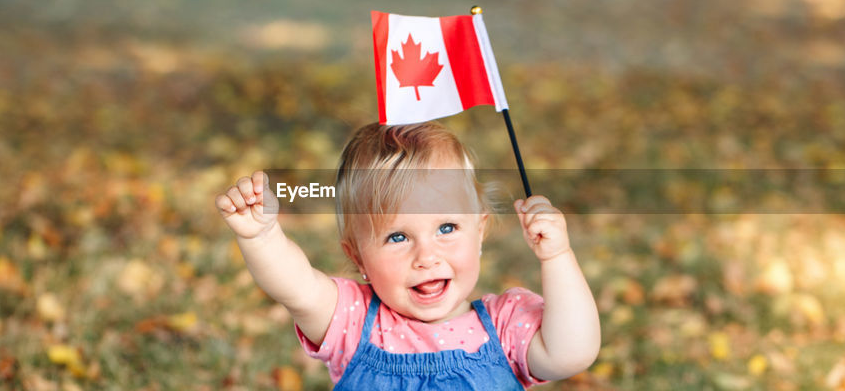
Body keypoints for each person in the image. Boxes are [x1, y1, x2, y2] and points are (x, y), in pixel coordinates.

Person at [215, 122, 599, 389]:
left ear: (479, 230)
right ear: (359, 258)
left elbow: (571, 353)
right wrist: (262, 236)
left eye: (446, 228)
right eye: (398, 237)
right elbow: (296, 288)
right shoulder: (354, 320)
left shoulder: (504, 326)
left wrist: (558, 257)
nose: (426, 256)